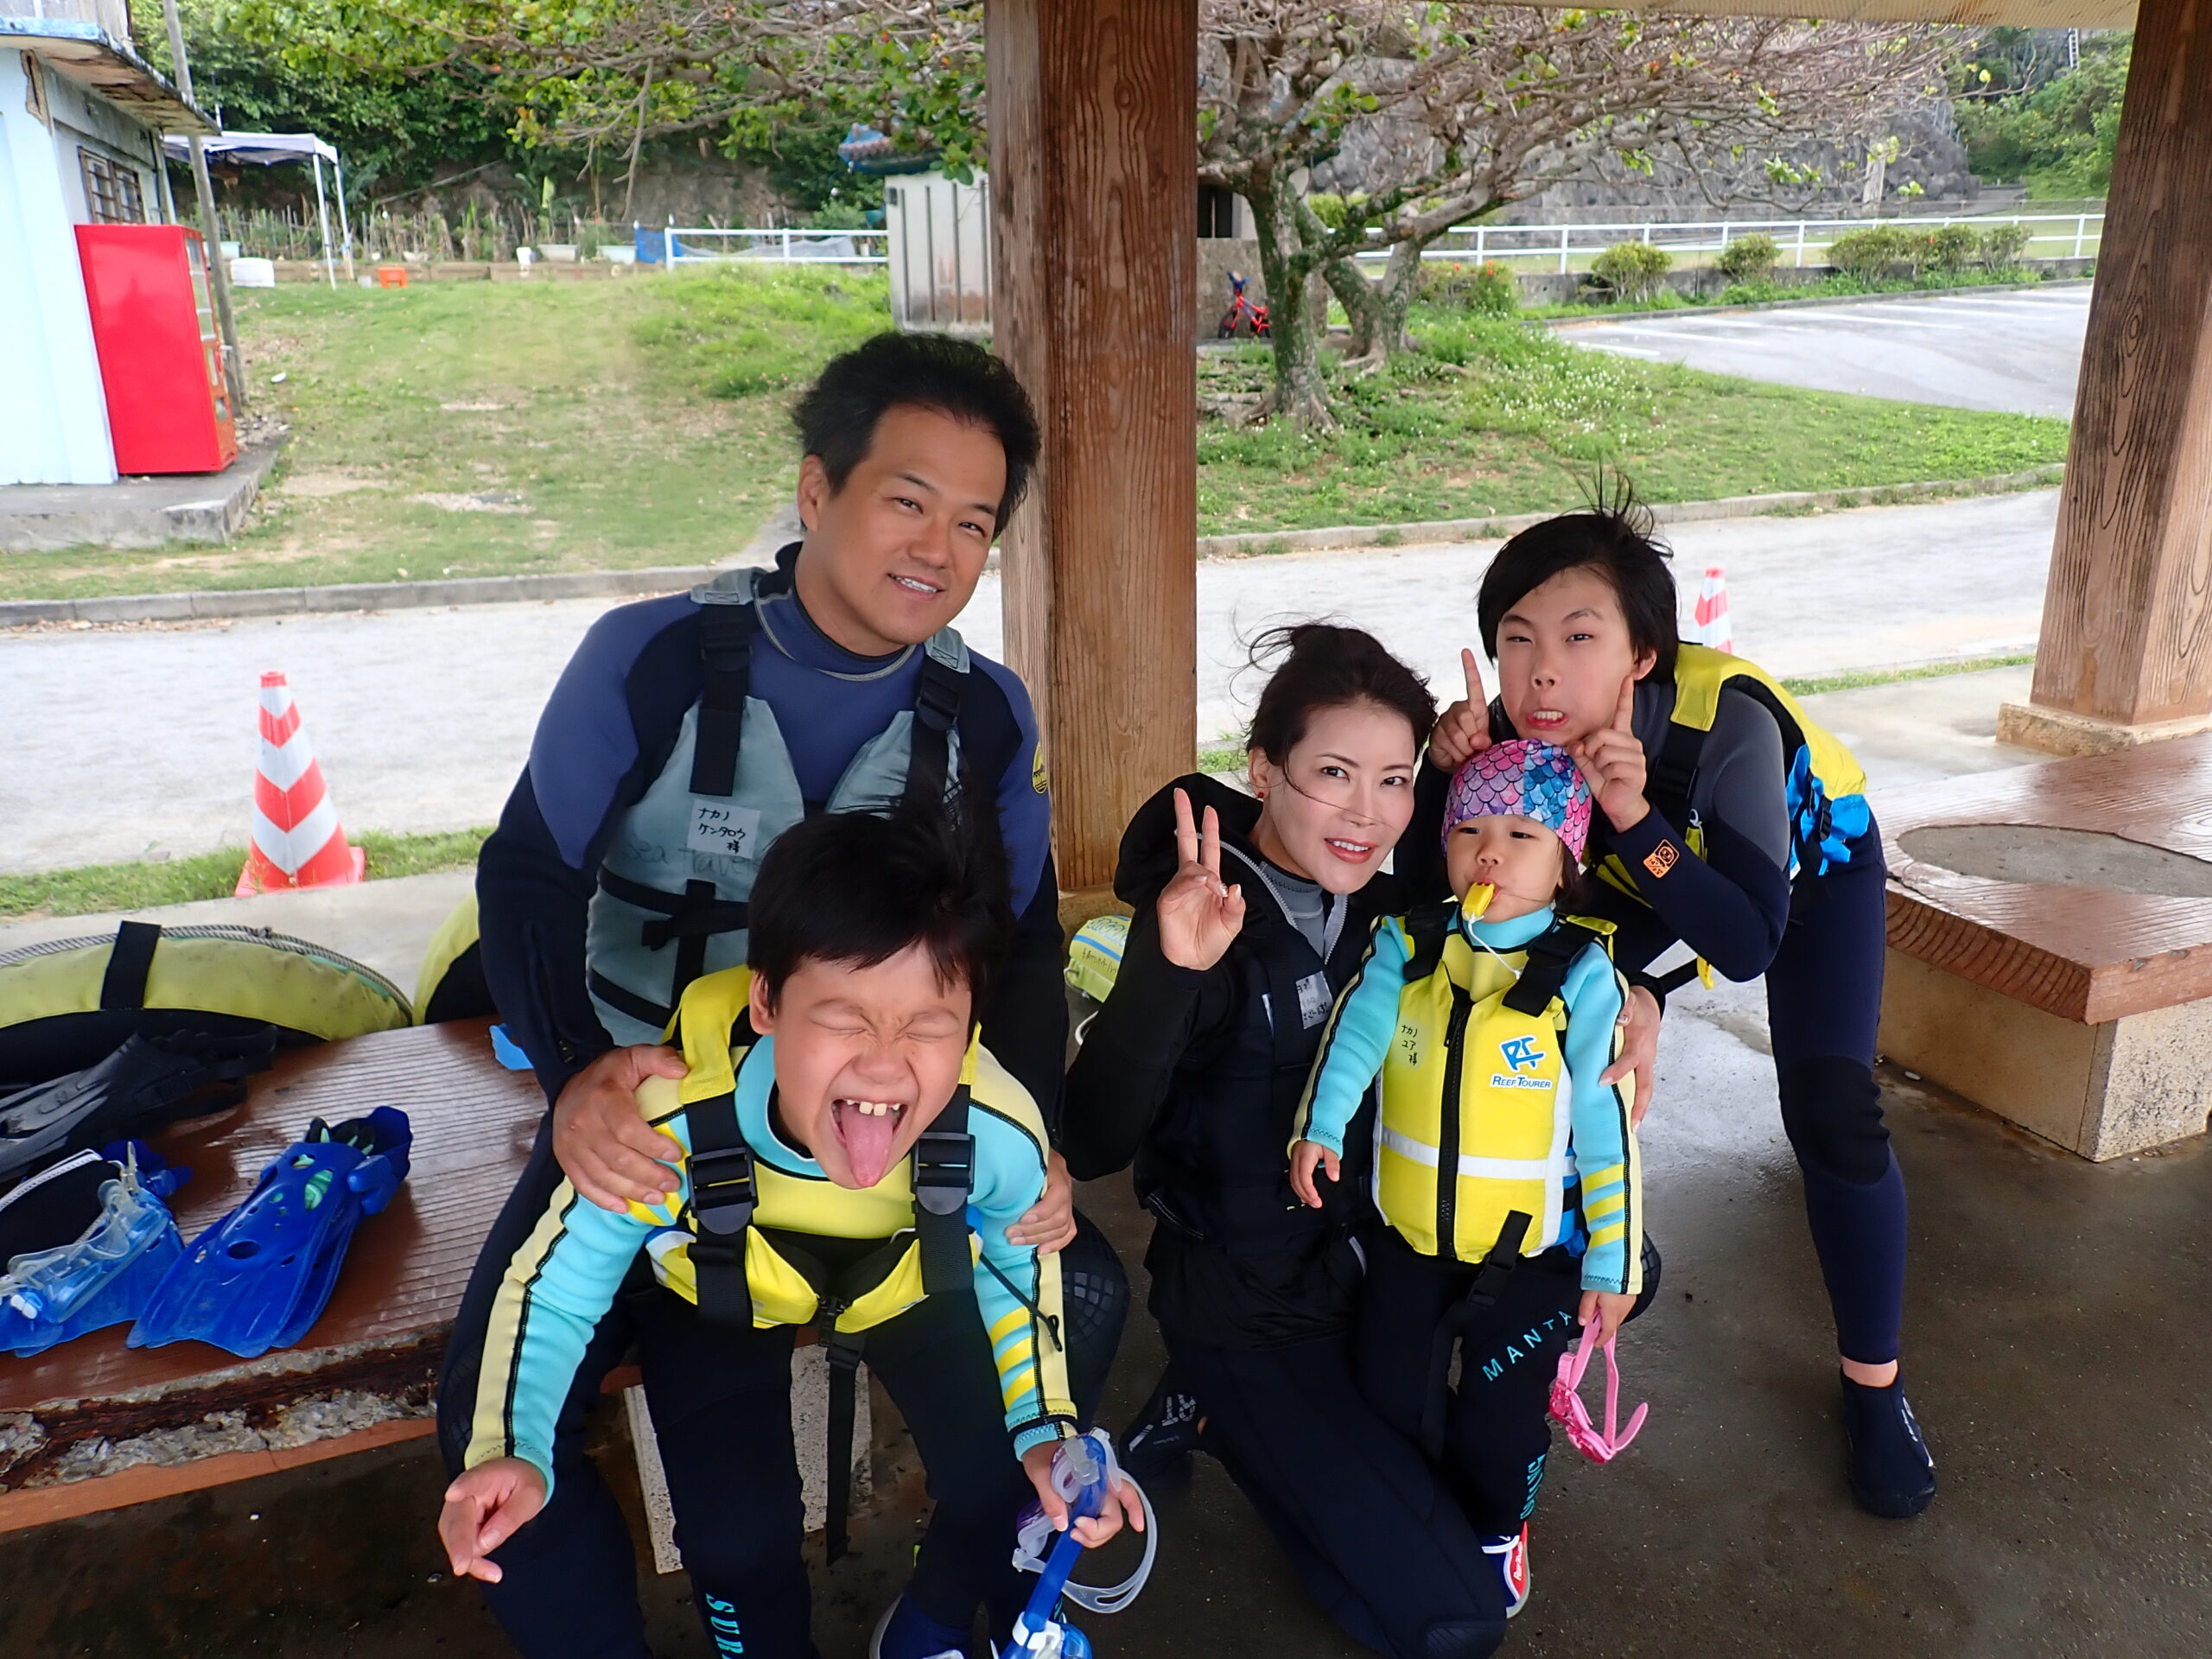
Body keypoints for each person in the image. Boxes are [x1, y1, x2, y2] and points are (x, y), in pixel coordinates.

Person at [438, 332, 1126, 1656]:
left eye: (974, 522)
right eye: (906, 500)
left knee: (1082, 1295)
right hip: (651, 1118)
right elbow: (526, 879)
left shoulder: (985, 719)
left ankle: (958, 1606)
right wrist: (578, 1075)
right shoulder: (646, 664)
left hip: (893, 1115)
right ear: (817, 495)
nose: (937, 547)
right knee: (491, 1431)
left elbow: (1025, 946)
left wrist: (1032, 1142)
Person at [1061, 626, 1656, 1659]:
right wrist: (1169, 968)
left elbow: (1538, 936)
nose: (1367, 813)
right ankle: (1211, 1405)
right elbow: (1098, 1137)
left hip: (1374, 1270)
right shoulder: (1197, 911)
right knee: (1451, 1622)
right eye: (1332, 774)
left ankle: (1282, 1433)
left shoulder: (1397, 917)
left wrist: (1637, 996)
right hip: (1248, 1304)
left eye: (1393, 780)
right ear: (1263, 770)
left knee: (1626, 1264)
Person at [438, 804, 1140, 1659]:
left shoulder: (994, 1130)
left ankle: (937, 1625)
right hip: (717, 1295)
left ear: (968, 1027)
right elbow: (556, 1287)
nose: (885, 1064)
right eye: (846, 1017)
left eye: (927, 1025)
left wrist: (1045, 1429)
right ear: (766, 1001)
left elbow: (1016, 1263)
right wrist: (513, 1449)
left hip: (909, 1284)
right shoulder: (671, 1119)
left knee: (1006, 1488)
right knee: (737, 1546)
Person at [1422, 495, 1936, 1520]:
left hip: (1802, 875)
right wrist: (1444, 780)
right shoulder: (1511, 739)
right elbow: (1461, 912)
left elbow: (1747, 940)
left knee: (1831, 1111)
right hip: (1651, 865)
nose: (1541, 674)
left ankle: (1874, 1388)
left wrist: (1631, 819)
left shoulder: (1727, 723)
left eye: (1578, 639)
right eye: (1514, 641)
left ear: (1642, 655)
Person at [1291, 739, 1643, 1620]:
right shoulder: (1407, 945)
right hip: (1408, 1241)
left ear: (1565, 864)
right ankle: (1418, 1521)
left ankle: (1498, 1524)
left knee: (1497, 1424)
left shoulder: (1582, 975)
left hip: (1528, 1261)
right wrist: (1320, 1129)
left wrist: (1612, 1264)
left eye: (1523, 834)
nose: (1490, 851)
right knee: (1388, 1398)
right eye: (1470, 830)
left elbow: (1608, 1137)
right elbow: (1355, 1040)